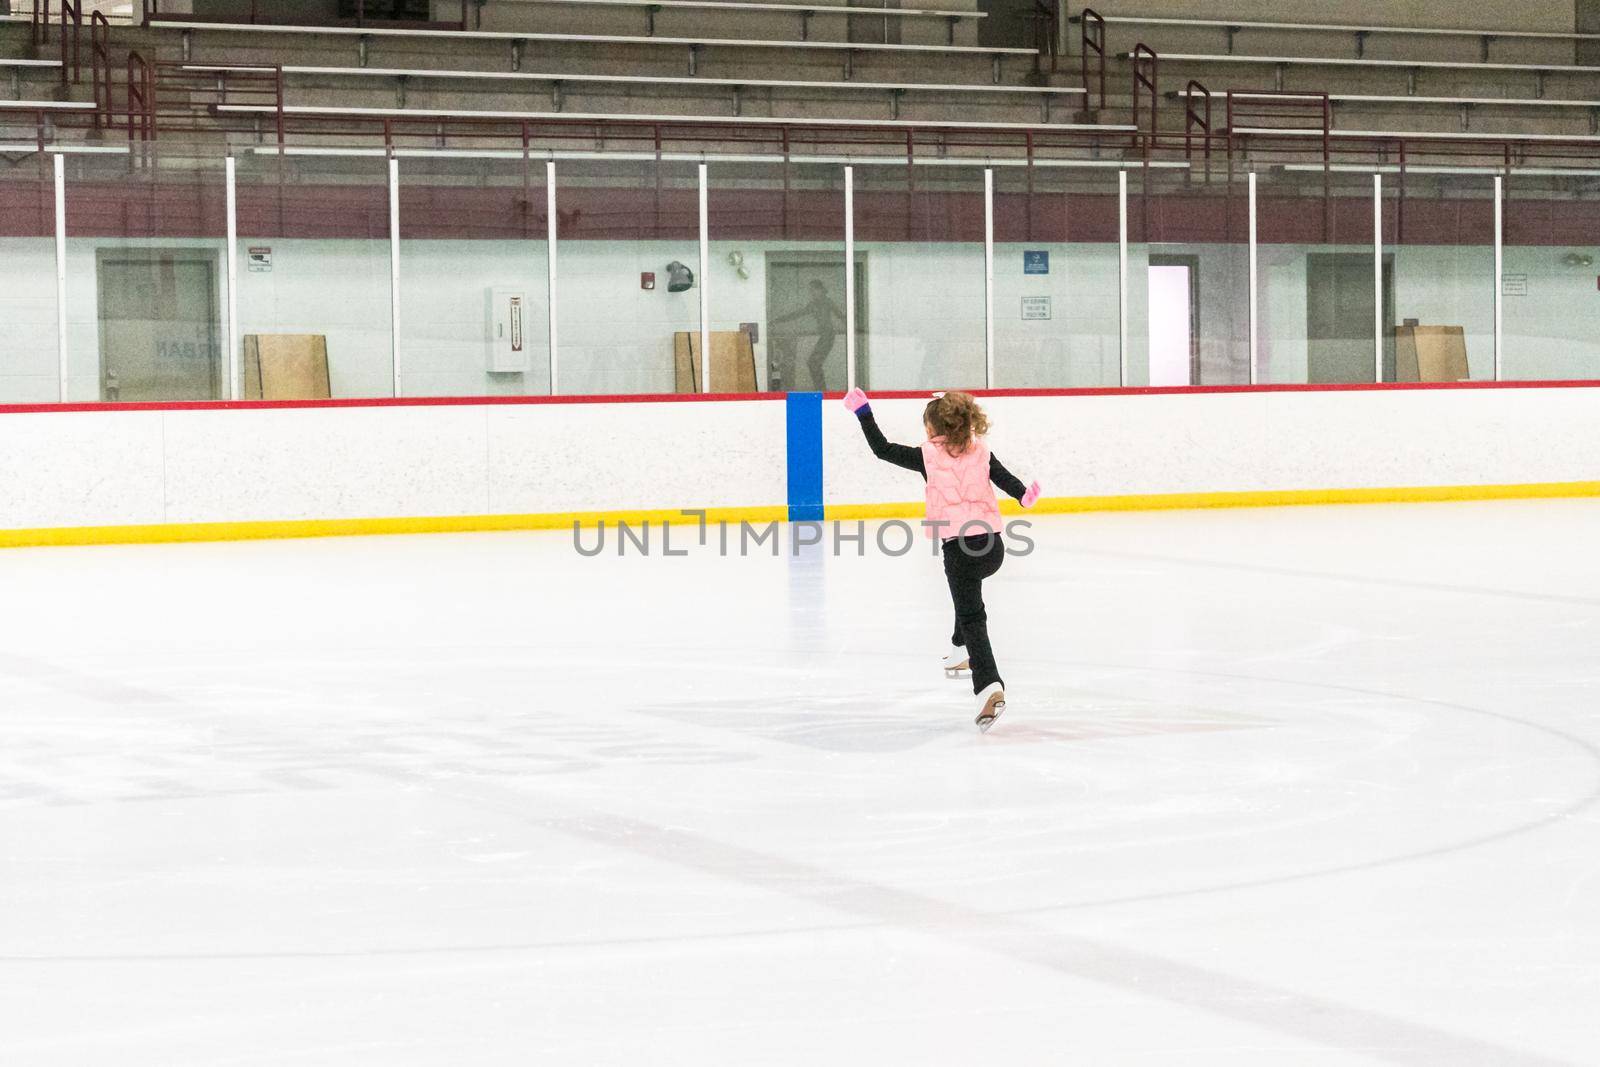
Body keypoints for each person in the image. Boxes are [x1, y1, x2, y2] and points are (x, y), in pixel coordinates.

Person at [842, 387, 1041, 731]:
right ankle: (957, 650)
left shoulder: (927, 456)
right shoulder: (981, 452)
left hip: (960, 549)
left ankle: (989, 686)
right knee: (966, 594)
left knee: (972, 614)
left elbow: (882, 449)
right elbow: (1006, 480)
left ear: (933, 429)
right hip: (993, 547)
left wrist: (863, 412)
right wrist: (1024, 495)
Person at [772, 280, 846, 390]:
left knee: (813, 363)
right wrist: (778, 320)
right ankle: (821, 390)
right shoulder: (813, 304)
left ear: (820, 290)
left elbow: (841, 315)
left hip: (828, 336)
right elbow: (797, 314)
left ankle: (821, 390)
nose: (811, 293)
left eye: (813, 290)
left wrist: (854, 329)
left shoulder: (827, 302)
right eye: (810, 291)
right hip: (824, 336)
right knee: (813, 363)